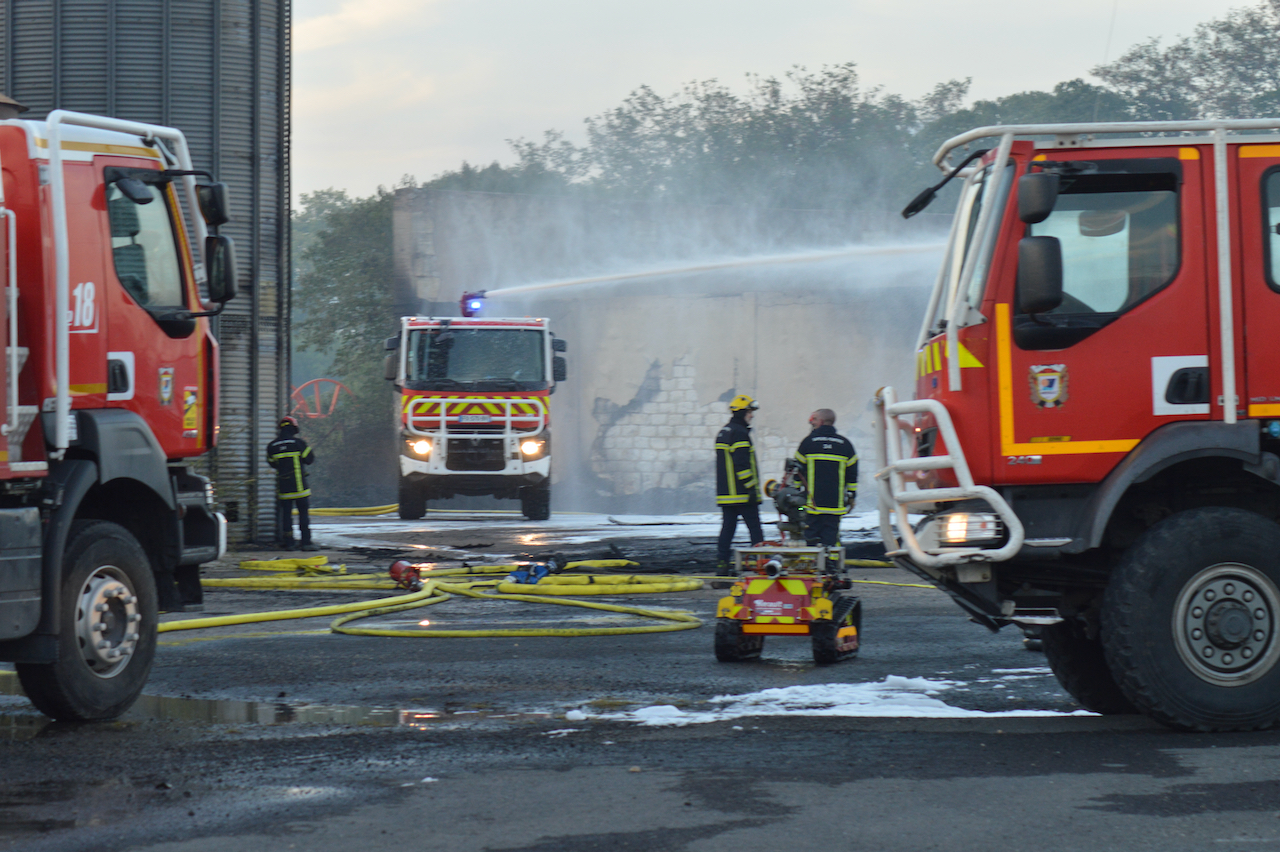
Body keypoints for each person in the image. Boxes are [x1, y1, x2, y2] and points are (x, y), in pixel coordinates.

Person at [794, 408, 858, 547]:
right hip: (835, 504)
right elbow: (852, 474)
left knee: (810, 537)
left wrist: (795, 492)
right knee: (831, 538)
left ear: (821, 422)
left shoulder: (808, 442)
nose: (811, 422)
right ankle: (831, 560)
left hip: (812, 503)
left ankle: (813, 559)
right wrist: (851, 495)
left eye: (814, 419)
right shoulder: (845, 444)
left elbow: (797, 470)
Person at [715, 394, 765, 570]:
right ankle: (761, 563)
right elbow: (742, 465)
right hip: (743, 494)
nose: (752, 415)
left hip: (727, 495)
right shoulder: (740, 434)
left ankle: (722, 563)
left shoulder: (724, 432)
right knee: (755, 529)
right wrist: (751, 488)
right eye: (750, 412)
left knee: (727, 529)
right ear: (742, 412)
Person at [267, 415, 318, 551]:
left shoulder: (272, 446)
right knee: (303, 515)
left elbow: (273, 464)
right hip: (300, 488)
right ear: (294, 428)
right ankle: (306, 543)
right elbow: (309, 460)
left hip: (284, 488)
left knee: (286, 516)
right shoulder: (298, 443)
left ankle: (289, 543)